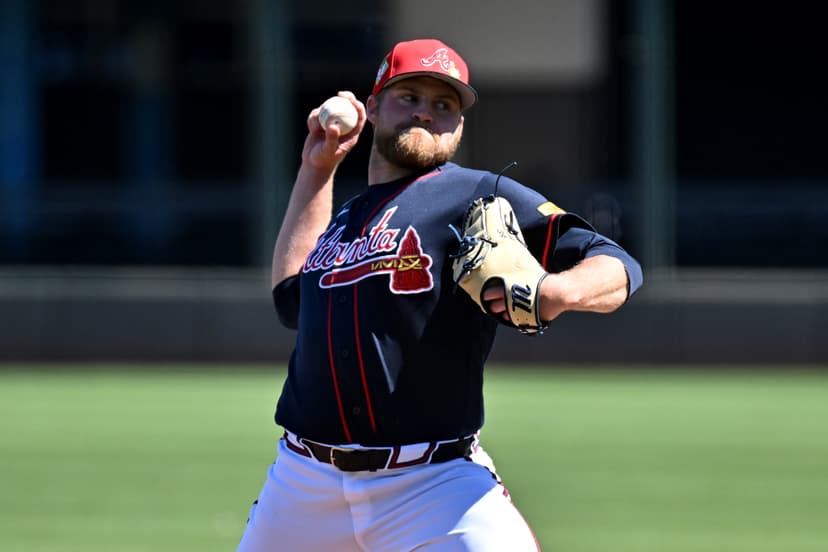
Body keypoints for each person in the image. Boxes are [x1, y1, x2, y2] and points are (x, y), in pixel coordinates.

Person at [238, 38, 643, 551]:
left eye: (443, 105)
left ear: (459, 125)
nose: (426, 113)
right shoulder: (344, 218)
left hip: (433, 485)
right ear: (374, 105)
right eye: (409, 97)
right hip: (301, 487)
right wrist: (317, 169)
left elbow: (618, 264)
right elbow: (290, 298)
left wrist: (558, 289)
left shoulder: (478, 194)